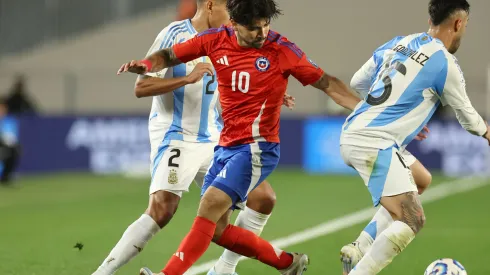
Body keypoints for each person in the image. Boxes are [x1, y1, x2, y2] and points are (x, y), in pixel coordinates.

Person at [117, 0, 361, 274]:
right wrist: (146, 63)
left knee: (209, 206)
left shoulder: (281, 49)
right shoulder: (214, 40)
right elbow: (170, 55)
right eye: (254, 28)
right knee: (219, 230)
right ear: (233, 24)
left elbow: (326, 82)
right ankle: (288, 263)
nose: (262, 33)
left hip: (257, 148)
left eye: (266, 25)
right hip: (225, 146)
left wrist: (363, 110)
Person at [92, 0, 292, 274]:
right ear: (210, 6)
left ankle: (224, 270)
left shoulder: (229, 41)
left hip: (214, 139)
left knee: (263, 198)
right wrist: (186, 79)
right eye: (227, 10)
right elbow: (143, 86)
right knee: (162, 209)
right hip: (176, 136)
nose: (232, 17)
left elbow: (225, 92)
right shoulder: (175, 34)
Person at [339, 0, 490, 274]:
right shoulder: (445, 62)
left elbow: (358, 83)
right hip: (375, 142)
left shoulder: (399, 42)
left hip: (352, 130)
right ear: (458, 23)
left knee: (422, 179)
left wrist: (397, 108)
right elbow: (469, 117)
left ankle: (360, 245)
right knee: (413, 218)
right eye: (465, 26)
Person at [0, 100, 20, 184]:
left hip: (6, 146)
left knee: (14, 150)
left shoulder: (10, 121)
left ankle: (6, 176)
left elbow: (12, 136)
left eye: (2, 109)